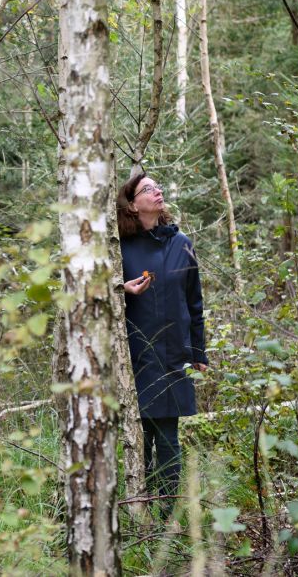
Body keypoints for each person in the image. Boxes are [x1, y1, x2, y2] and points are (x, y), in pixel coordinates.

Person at [117, 171, 209, 505]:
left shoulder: (181, 244)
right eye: (148, 189)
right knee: (138, 437)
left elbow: (194, 302)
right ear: (132, 204)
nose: (158, 192)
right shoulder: (119, 247)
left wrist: (198, 351)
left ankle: (167, 520)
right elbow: (98, 295)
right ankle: (138, 512)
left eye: (158, 187)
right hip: (134, 355)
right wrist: (121, 290)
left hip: (173, 355)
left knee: (169, 439)